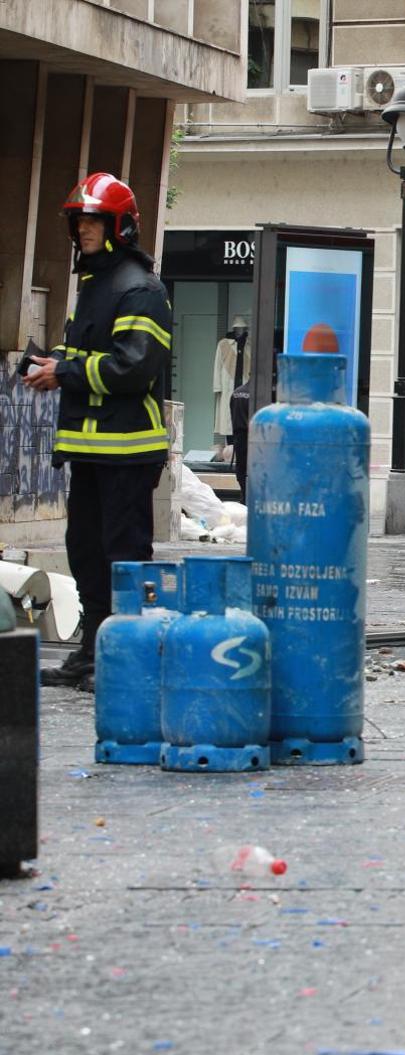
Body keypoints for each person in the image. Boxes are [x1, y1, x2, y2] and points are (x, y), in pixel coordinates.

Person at [22, 174, 171, 691]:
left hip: (128, 453)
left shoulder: (140, 289)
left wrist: (63, 373)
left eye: (93, 221)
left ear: (120, 227)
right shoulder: (94, 287)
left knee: (124, 559)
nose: (83, 230)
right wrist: (52, 362)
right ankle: (91, 655)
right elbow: (91, 354)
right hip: (88, 451)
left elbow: (133, 368)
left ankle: (128, 660)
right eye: (79, 221)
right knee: (85, 552)